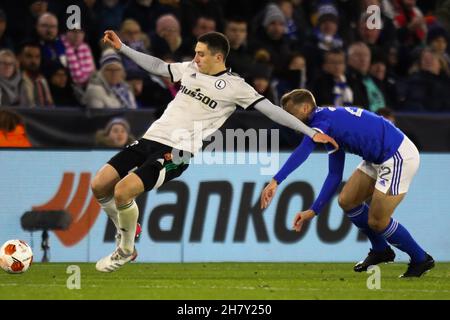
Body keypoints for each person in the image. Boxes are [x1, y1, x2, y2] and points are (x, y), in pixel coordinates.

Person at [91, 30, 338, 272]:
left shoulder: (235, 87)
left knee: (123, 191)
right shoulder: (189, 69)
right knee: (100, 184)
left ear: (218, 57)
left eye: (201, 54)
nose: (195, 58)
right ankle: (129, 228)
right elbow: (158, 66)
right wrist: (122, 48)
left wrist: (309, 131)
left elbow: (272, 110)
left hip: (178, 151)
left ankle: (125, 250)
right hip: (150, 138)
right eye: (195, 53)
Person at [260, 89, 435, 278]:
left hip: (397, 155)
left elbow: (303, 150)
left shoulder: (321, 123)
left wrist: (276, 180)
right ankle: (381, 251)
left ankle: (420, 259)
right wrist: (313, 210)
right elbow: (335, 174)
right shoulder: (327, 123)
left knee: (377, 221)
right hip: (377, 157)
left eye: (291, 115)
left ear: (305, 108)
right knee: (347, 200)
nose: (289, 121)